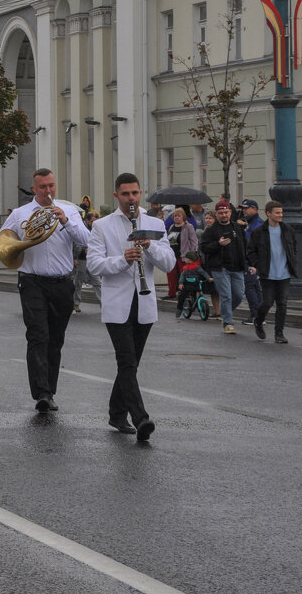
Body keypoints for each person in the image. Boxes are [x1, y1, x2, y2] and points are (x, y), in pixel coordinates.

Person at [87, 172, 174, 442]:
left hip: (145, 301)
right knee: (125, 360)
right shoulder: (102, 226)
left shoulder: (154, 223)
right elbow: (94, 265)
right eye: (125, 194)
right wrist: (123, 259)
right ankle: (140, 418)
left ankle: (116, 413)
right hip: (117, 304)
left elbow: (169, 263)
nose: (131, 198)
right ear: (116, 195)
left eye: (135, 193)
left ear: (140, 192)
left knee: (131, 364)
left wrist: (149, 247)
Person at [0, 168, 88, 412]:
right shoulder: (20, 214)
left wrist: (67, 222)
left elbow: (87, 240)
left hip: (63, 282)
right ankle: (42, 394)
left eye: (51, 186)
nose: (48, 191)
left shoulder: (69, 210)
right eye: (42, 187)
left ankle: (50, 389)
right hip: (32, 281)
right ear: (34, 188)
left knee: (55, 340)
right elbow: (1, 242)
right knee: (38, 335)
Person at [247, 201, 302, 344]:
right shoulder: (259, 231)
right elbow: (251, 250)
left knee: (282, 304)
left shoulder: (287, 230)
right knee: (267, 302)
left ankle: (279, 333)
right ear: (269, 213)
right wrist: (256, 265)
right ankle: (258, 321)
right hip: (267, 273)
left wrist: (292, 262)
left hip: (284, 273)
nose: (280, 215)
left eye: (281, 212)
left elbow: (294, 248)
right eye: (277, 212)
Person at [199, 201, 248, 334]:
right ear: (216, 214)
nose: (224, 215)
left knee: (238, 295)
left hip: (237, 267)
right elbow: (203, 247)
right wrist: (218, 244)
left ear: (230, 213)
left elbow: (245, 246)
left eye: (226, 212)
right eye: (220, 213)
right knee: (226, 295)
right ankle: (228, 322)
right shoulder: (211, 230)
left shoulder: (237, 228)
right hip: (220, 268)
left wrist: (248, 263)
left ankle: (226, 312)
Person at [238, 199, 264, 327]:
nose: (244, 210)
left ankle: (256, 315)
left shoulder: (257, 225)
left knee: (250, 287)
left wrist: (253, 263)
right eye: (243, 208)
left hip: (252, 262)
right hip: (250, 261)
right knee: (255, 287)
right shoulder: (250, 224)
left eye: (246, 208)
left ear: (255, 209)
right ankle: (259, 315)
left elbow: (256, 246)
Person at [163, 206, 198, 298]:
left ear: (183, 217)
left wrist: (191, 254)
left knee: (184, 274)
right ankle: (171, 293)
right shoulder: (171, 227)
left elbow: (194, 241)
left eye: (178, 216)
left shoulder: (188, 227)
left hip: (183, 255)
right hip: (172, 254)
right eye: (175, 216)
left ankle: (185, 293)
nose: (176, 218)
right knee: (171, 274)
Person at [72, 211, 102, 313]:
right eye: (93, 221)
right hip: (81, 259)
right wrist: (76, 256)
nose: (94, 223)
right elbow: (76, 242)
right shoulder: (81, 228)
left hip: (92, 259)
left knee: (97, 282)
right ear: (87, 221)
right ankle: (76, 304)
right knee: (78, 282)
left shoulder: (96, 230)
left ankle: (104, 304)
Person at [176, 251, 212, 319]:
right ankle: (179, 309)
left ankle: (199, 306)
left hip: (195, 284)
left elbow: (203, 273)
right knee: (182, 296)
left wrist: (208, 278)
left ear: (189, 259)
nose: (184, 259)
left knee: (196, 294)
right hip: (187, 285)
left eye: (185, 258)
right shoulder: (185, 268)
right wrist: (180, 283)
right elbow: (182, 276)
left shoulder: (197, 267)